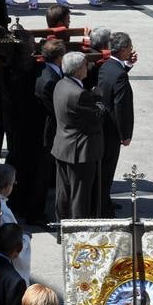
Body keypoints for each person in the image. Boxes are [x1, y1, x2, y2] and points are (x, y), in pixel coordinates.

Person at [50, 52, 103, 220]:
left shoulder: (60, 84)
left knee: (63, 192)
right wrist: (99, 99)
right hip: (80, 152)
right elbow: (97, 117)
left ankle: (62, 228)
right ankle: (78, 233)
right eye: (86, 65)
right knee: (80, 196)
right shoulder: (80, 94)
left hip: (62, 147)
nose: (87, 68)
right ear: (79, 69)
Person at [93, 32, 136, 218]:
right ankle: (103, 209)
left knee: (103, 170)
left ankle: (103, 202)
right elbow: (121, 107)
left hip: (102, 126)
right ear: (124, 49)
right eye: (130, 47)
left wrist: (127, 66)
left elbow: (112, 82)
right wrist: (125, 134)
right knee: (107, 171)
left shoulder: (107, 66)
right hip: (111, 130)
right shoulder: (119, 75)